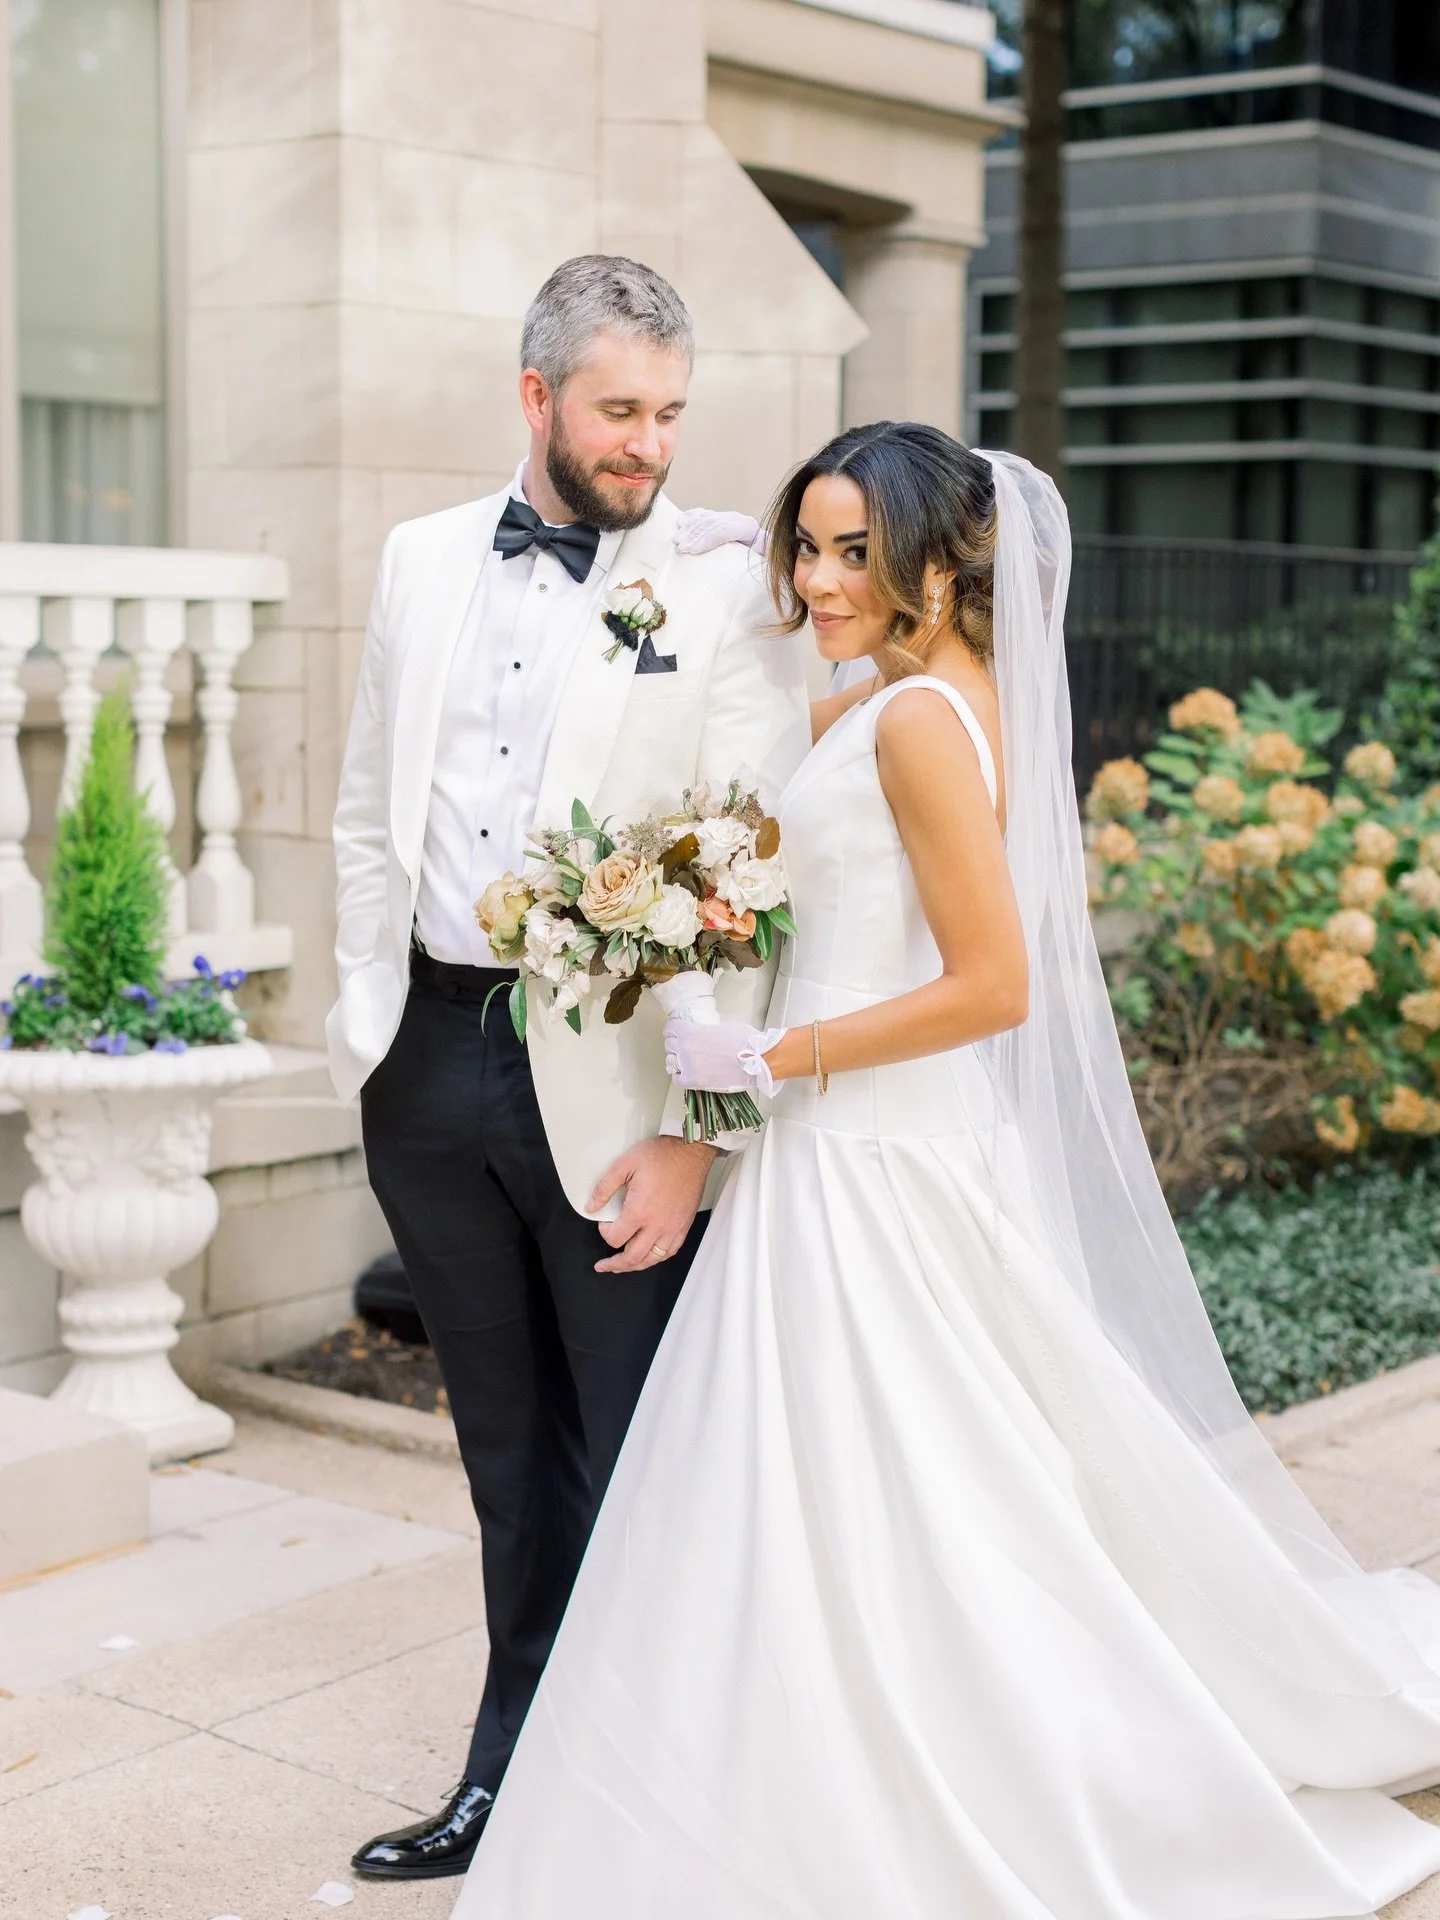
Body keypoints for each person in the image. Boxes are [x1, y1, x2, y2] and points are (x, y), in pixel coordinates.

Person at [451, 423, 1440, 1918]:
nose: (818, 576)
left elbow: (994, 985)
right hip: (855, 1153)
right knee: (919, 1497)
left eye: (856, 550)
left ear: (940, 559)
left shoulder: (918, 722)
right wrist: (701, 579)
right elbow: (809, 792)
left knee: (909, 1500)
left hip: (870, 1163)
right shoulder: (909, 693)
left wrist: (776, 1064)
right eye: (807, 543)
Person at [326, 254, 810, 1880]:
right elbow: (361, 813)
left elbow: (751, 881)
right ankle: (511, 1771)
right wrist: (364, 1026)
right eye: (619, 411)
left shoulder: (731, 580)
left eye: (672, 414)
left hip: (613, 1091)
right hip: (428, 1063)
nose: (649, 447)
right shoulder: (415, 561)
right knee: (507, 1454)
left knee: (649, 1449)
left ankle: (680, 1788)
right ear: (536, 398)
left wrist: (701, 1131)